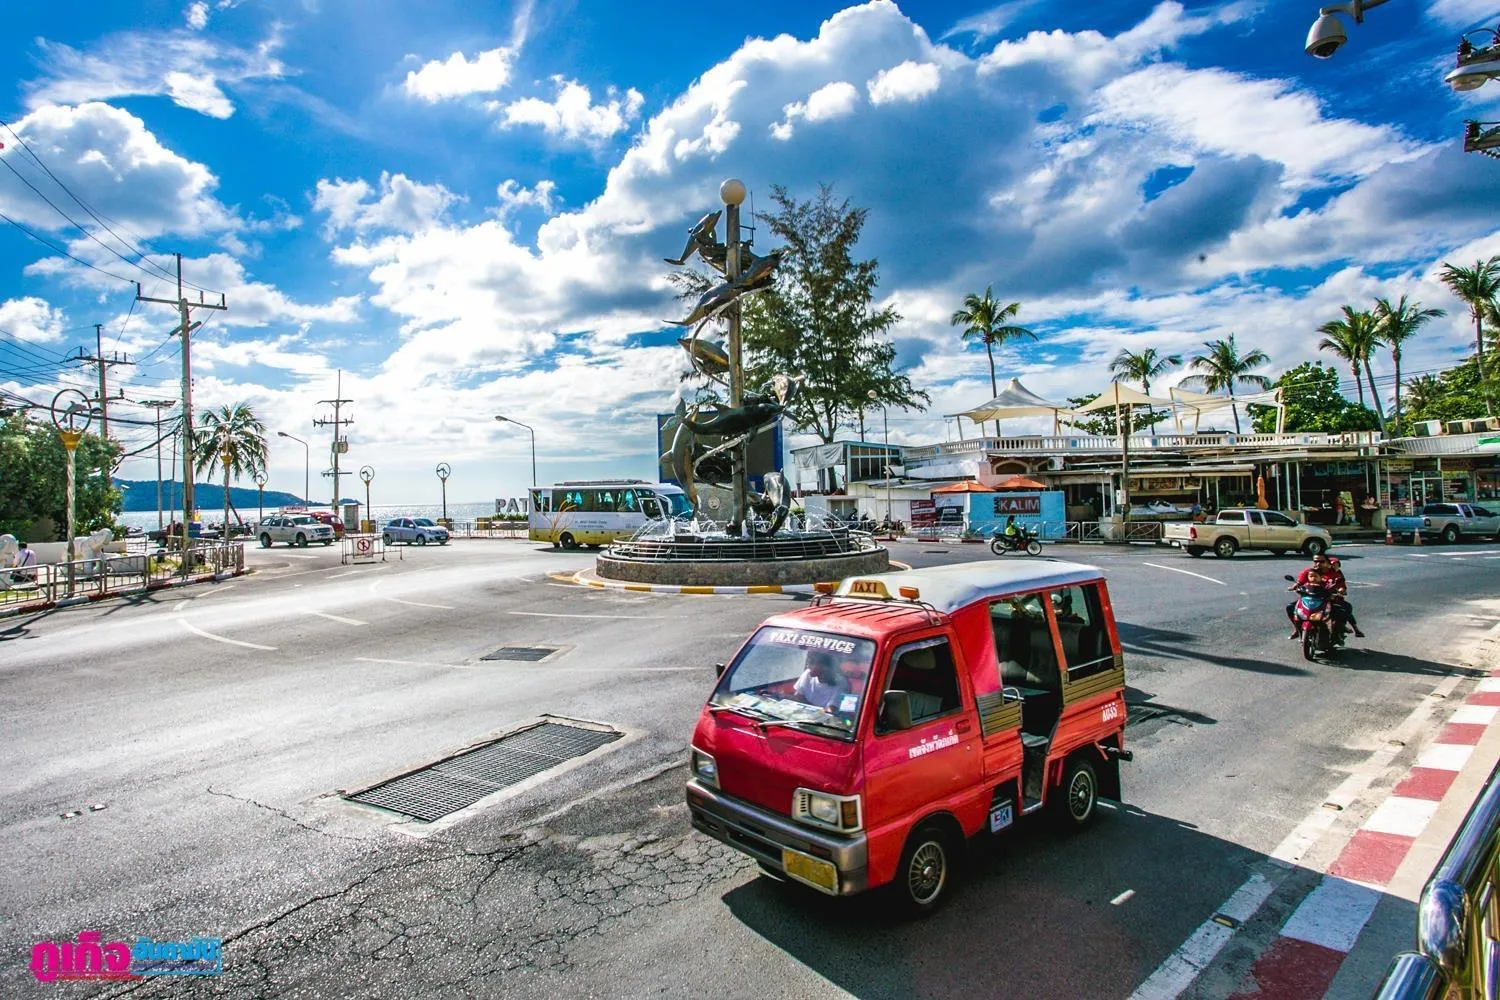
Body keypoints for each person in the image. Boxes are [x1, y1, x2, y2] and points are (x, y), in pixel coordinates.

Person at [1287, 558, 1333, 639]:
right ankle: (1297, 629)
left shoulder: (1327, 582)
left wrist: (1336, 591)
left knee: (1337, 612)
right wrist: (1294, 588)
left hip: (1322, 603)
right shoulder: (1306, 580)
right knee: (1290, 607)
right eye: (1316, 561)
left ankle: (1334, 633)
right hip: (1308, 602)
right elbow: (1298, 584)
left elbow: (1335, 587)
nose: (1318, 563)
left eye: (1321, 561)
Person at [1324, 556, 1364, 639]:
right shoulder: (1322, 573)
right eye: (1332, 565)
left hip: (1335, 599)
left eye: (1336, 565)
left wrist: (1341, 590)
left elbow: (1342, 586)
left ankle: (1353, 628)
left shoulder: (1339, 575)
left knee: (1347, 608)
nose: (1334, 566)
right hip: (1320, 598)